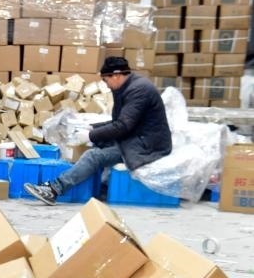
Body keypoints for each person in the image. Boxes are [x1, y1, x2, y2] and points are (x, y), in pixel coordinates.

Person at [25, 56, 173, 205]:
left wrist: (90, 135)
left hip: (148, 146)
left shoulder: (138, 90)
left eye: (105, 80)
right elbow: (119, 122)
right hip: (136, 137)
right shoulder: (127, 87)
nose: (106, 85)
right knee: (98, 143)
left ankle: (54, 190)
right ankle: (101, 189)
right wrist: (93, 128)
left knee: (93, 156)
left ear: (116, 75)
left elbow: (123, 125)